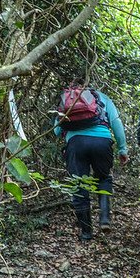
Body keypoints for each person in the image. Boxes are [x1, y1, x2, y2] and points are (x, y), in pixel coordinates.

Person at [55, 81, 129, 241]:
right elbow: (116, 122)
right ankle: (104, 219)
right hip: (102, 142)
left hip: (75, 144)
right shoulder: (102, 97)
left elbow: (56, 130)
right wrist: (122, 149)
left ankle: (86, 233)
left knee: (79, 185)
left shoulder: (67, 99)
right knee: (103, 178)